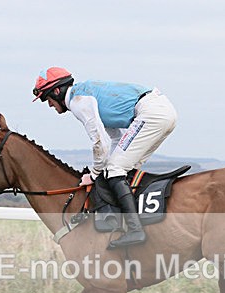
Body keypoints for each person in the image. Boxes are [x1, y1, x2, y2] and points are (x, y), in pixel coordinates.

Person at [32, 67, 178, 248]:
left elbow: (99, 143)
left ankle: (135, 230)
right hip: (162, 111)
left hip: (151, 113)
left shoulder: (78, 102)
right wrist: (103, 168)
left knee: (114, 170)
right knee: (120, 168)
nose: (49, 105)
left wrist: (93, 174)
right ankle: (137, 219)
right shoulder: (88, 95)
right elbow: (116, 138)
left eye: (47, 99)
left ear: (56, 91)